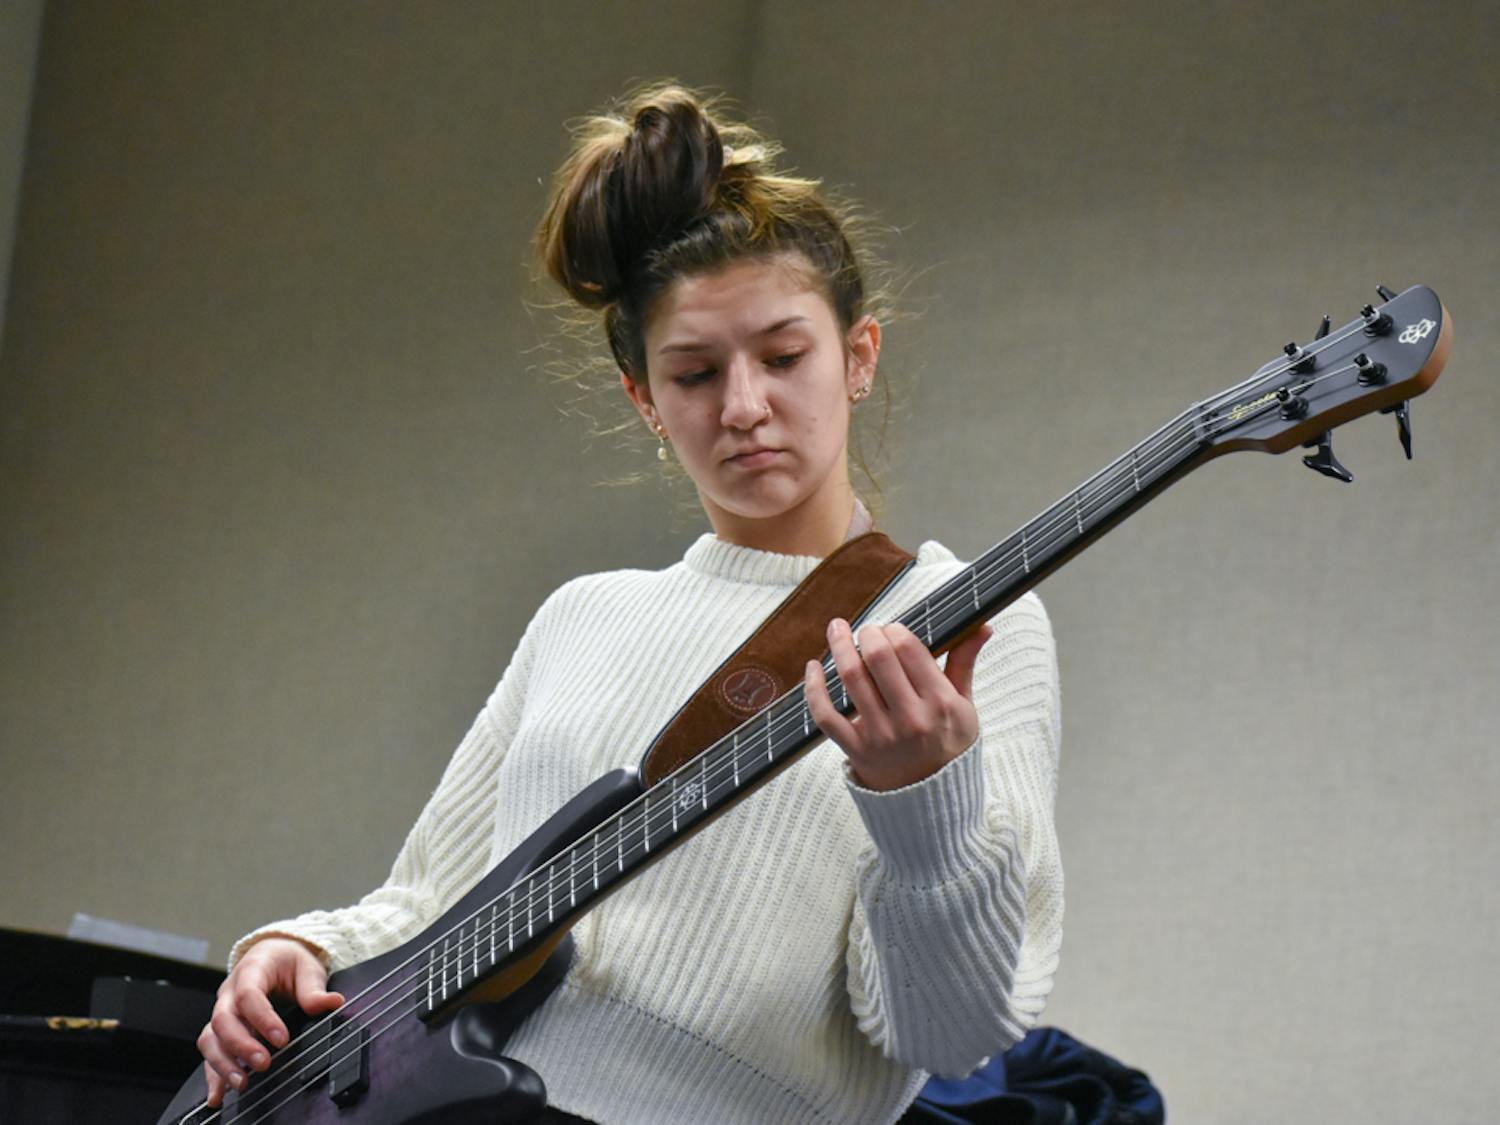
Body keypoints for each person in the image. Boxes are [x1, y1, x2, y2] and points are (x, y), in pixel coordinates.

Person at [194, 83, 1063, 1125]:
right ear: (644, 400)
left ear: (859, 356)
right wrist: (301, 951)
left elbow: (950, 1036)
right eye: (694, 375)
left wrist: (924, 802)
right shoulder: (582, 616)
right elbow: (430, 908)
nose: (745, 408)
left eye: (785, 357)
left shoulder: (960, 619)